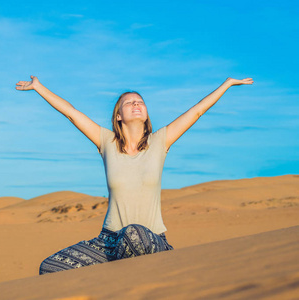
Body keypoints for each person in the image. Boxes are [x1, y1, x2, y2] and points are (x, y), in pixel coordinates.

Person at [15, 75, 253, 274]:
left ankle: (132, 275)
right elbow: (71, 113)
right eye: (129, 103)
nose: (136, 104)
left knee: (134, 233)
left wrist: (226, 84)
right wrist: (38, 87)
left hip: (150, 238)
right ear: (119, 116)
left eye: (140, 102)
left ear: (147, 114)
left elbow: (197, 111)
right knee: (50, 267)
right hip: (108, 241)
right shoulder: (106, 142)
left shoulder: (159, 142)